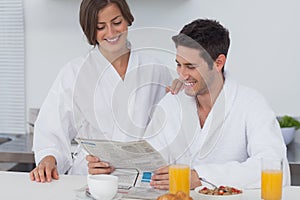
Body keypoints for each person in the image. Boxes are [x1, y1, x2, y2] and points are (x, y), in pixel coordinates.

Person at [29, 0, 180, 183]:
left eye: (117, 23)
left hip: (142, 179)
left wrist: (183, 93)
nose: (111, 32)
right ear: (90, 31)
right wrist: (48, 159)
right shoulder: (74, 73)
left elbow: (172, 126)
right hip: (91, 176)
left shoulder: (154, 69)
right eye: (101, 27)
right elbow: (51, 129)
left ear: (127, 19)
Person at [145, 19, 290, 189]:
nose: (182, 75)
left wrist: (200, 177)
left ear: (218, 63)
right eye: (178, 64)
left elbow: (272, 166)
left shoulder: (251, 104)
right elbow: (148, 161)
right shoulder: (172, 102)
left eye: (190, 67)